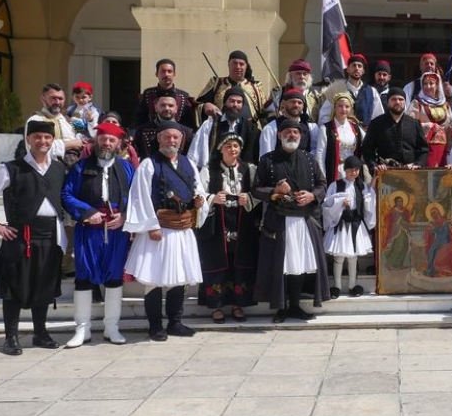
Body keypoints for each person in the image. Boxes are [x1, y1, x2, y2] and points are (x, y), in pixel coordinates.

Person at [0, 121, 66, 356]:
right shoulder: (12, 168)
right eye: (37, 137)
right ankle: (11, 338)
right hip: (21, 236)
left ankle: (40, 333)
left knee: (44, 286)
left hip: (50, 236)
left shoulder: (59, 168)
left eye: (47, 138)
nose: (43, 142)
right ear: (28, 139)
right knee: (15, 287)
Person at [124, 121, 207, 340]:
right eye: (167, 137)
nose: (172, 141)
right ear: (159, 138)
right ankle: (155, 325)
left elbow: (199, 189)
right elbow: (139, 196)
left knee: (178, 276)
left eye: (176, 137)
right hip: (158, 230)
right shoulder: (149, 164)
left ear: (182, 139)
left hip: (182, 228)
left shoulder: (188, 163)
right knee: (154, 278)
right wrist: (151, 226)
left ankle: (175, 322)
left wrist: (199, 202)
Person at [61, 122, 133, 347]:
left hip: (116, 230)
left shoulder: (127, 167)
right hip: (88, 229)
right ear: (96, 141)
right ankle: (82, 328)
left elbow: (137, 196)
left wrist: (123, 215)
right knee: (83, 276)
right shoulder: (80, 167)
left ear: (118, 143)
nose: (107, 143)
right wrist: (86, 213)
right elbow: (66, 194)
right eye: (103, 139)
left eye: (112, 140)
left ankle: (112, 327)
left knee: (114, 276)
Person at [253, 120, 330, 322]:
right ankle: (281, 308)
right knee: (282, 265)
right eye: (288, 132)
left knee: (300, 264)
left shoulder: (310, 159)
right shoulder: (267, 160)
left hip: (304, 220)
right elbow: (256, 189)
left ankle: (295, 306)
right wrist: (274, 191)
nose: (292, 135)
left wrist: (312, 196)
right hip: (279, 220)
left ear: (301, 136)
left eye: (296, 132)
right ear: (279, 135)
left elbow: (323, 184)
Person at [196, 133, 260, 324]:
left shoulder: (250, 169)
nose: (233, 149)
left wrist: (248, 198)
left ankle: (238, 305)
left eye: (236, 146)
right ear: (220, 149)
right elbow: (198, 193)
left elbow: (259, 190)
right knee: (217, 263)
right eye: (228, 146)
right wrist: (212, 198)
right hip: (218, 224)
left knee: (239, 263)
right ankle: (216, 307)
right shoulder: (209, 170)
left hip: (242, 222)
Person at [322, 156, 375, 298]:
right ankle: (337, 286)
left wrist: (366, 200)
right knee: (339, 257)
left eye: (356, 170)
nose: (354, 172)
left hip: (356, 224)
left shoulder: (362, 186)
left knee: (353, 257)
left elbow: (370, 201)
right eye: (351, 170)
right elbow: (328, 203)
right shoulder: (336, 185)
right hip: (341, 224)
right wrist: (340, 203)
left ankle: (353, 285)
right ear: (345, 170)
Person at [188, 87, 260, 169]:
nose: (235, 105)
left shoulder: (251, 129)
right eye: (232, 101)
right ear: (225, 102)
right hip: (213, 173)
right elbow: (195, 155)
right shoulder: (209, 125)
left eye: (239, 102)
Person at [362, 87, 429, 172]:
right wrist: (375, 165)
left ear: (405, 102)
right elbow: (367, 149)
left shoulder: (414, 124)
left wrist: (417, 164)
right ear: (388, 102)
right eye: (394, 99)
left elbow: (423, 149)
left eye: (401, 99)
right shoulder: (376, 124)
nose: (397, 102)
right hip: (385, 172)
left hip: (411, 172)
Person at [196, 50, 269, 126]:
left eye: (241, 64)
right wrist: (205, 106)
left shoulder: (256, 87)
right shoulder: (216, 84)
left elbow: (265, 114)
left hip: (249, 133)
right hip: (221, 130)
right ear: (228, 64)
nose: (238, 67)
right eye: (234, 63)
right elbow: (196, 106)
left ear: (246, 66)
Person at [317, 54, 385, 126]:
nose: (356, 68)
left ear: (363, 71)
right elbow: (324, 116)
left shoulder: (372, 92)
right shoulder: (336, 90)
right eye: (354, 65)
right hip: (342, 134)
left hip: (366, 135)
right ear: (348, 69)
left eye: (359, 66)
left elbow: (379, 117)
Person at [406, 71, 452, 168]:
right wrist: (428, 126)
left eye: (431, 83)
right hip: (424, 148)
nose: (428, 87)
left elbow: (451, 124)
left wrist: (449, 131)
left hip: (443, 148)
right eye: (425, 84)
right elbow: (409, 124)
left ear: (437, 85)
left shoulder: (445, 104)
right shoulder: (417, 103)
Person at [25, 83, 85, 162]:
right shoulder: (36, 120)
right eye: (53, 98)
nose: (57, 102)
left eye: (60, 99)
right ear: (43, 99)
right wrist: (69, 145)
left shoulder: (68, 120)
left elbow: (83, 136)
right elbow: (35, 150)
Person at [315, 92, 366, 182]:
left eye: (347, 106)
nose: (343, 109)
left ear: (350, 109)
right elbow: (320, 155)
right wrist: (322, 178)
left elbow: (367, 144)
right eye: (340, 106)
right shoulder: (326, 129)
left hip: (353, 173)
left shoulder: (356, 128)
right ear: (334, 108)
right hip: (335, 172)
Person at [134, 58, 197, 129]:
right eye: (163, 71)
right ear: (156, 74)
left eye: (169, 71)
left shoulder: (183, 96)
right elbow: (139, 119)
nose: (166, 74)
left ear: (174, 74)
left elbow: (189, 123)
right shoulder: (148, 94)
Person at [403, 53, 452, 123]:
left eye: (432, 64)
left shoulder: (447, 87)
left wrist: (450, 96)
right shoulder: (410, 87)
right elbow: (405, 111)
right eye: (426, 63)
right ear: (420, 66)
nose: (429, 66)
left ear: (435, 67)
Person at [259, 88, 319, 157]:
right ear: (284, 104)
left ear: (303, 106)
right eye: (292, 102)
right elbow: (266, 156)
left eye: (299, 103)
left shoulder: (311, 127)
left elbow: (315, 153)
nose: (296, 105)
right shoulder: (271, 128)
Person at [134, 95, 194, 161]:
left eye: (170, 105)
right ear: (156, 107)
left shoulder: (188, 133)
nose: (167, 108)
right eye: (163, 105)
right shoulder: (141, 131)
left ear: (176, 108)